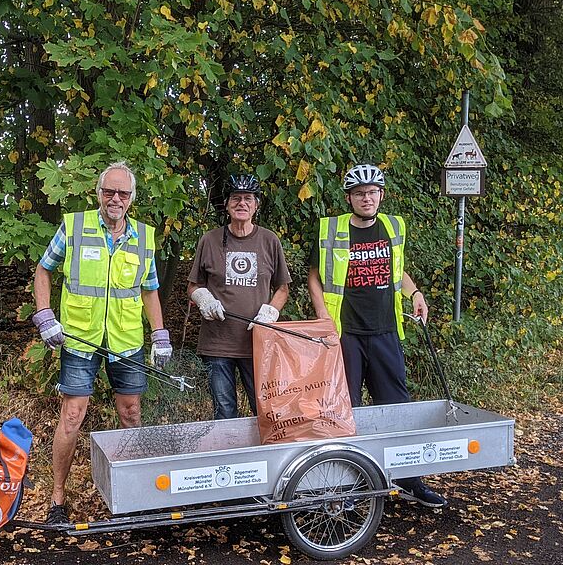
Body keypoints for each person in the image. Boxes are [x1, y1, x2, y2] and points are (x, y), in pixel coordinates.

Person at [32, 161, 172, 525]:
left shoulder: (143, 237)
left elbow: (150, 289)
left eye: (122, 193)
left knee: (131, 415)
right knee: (72, 417)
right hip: (79, 339)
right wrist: (45, 314)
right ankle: (58, 501)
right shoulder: (75, 227)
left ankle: (136, 497)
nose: (115, 198)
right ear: (98, 193)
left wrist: (159, 333)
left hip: (125, 341)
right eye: (109, 191)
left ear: (131, 198)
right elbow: (43, 269)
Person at [307, 163, 448, 509]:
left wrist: (415, 294)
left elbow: (398, 273)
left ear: (381, 195)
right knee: (347, 412)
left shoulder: (393, 227)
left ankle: (410, 481)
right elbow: (314, 276)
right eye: (359, 193)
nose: (366, 198)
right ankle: (349, 486)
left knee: (397, 409)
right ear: (349, 198)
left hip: (385, 332)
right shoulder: (331, 230)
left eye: (372, 193)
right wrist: (323, 317)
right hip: (347, 335)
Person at [187, 174, 292, 419]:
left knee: (264, 411)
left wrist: (270, 313)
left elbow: (283, 288)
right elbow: (193, 285)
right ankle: (229, 458)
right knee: (224, 412)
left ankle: (265, 457)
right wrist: (204, 298)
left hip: (257, 343)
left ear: (256, 205)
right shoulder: (210, 240)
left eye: (248, 198)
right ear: (226, 204)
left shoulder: (269, 240)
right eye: (236, 198)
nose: (241, 203)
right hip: (218, 344)